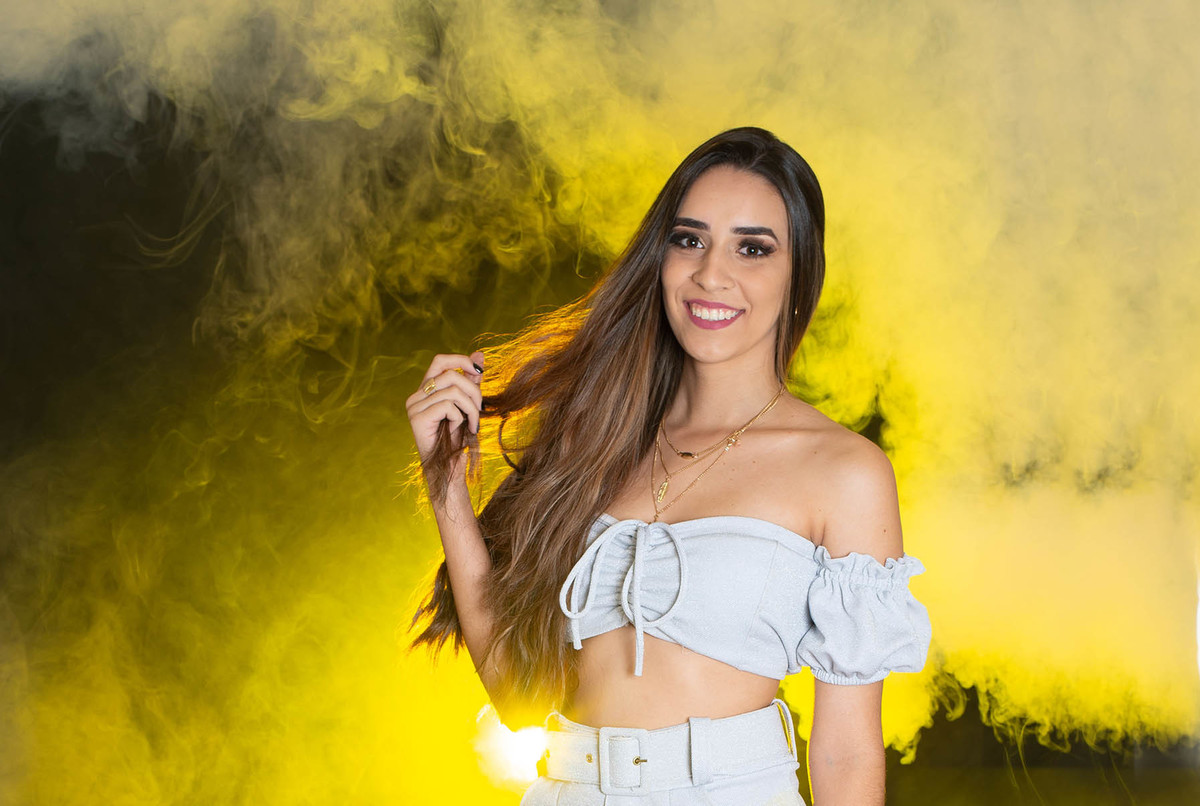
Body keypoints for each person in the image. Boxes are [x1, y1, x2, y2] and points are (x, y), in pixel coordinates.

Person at [405, 127, 931, 805]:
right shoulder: (593, 441)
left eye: (752, 248)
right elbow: (516, 694)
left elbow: (847, 754)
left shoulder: (844, 472)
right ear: (660, 259)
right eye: (689, 240)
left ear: (798, 276)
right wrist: (446, 485)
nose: (712, 273)